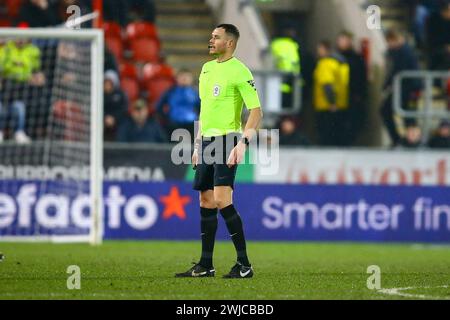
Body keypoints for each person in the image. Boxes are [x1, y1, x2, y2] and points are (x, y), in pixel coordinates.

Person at [175, 24, 263, 279]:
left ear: (230, 43)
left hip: (227, 140)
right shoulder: (206, 68)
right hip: (206, 142)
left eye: (216, 37)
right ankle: (205, 265)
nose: (210, 40)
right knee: (205, 201)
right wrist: (196, 144)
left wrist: (242, 144)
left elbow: (256, 112)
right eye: (211, 36)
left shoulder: (240, 71)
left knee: (223, 200)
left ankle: (244, 264)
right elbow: (206, 110)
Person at [381, 29, 421, 147]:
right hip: (404, 89)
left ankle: (410, 142)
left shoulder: (405, 52)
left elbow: (398, 70)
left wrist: (386, 85)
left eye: (390, 42)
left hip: (410, 90)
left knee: (409, 117)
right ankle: (403, 140)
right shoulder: (400, 51)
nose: (389, 45)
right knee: (390, 112)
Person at [0, 40, 44, 144]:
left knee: (19, 106)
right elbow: (2, 66)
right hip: (5, 85)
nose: (20, 40)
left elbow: (37, 72)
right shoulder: (6, 49)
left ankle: (19, 132)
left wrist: (34, 77)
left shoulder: (33, 51)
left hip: (22, 87)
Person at [313, 40, 350, 146]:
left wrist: (331, 102)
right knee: (337, 134)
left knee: (326, 135)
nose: (318, 52)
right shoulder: (341, 63)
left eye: (319, 49)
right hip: (341, 103)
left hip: (326, 105)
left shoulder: (326, 64)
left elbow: (327, 85)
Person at [336, 31, 368, 144]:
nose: (340, 43)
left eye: (343, 40)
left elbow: (361, 78)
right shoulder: (335, 58)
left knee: (351, 125)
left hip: (352, 97)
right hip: (339, 98)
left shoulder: (356, 59)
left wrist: (359, 95)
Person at [156, 69, 200, 139]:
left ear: (191, 79)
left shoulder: (196, 93)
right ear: (177, 78)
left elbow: (201, 108)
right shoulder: (170, 91)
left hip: (192, 125)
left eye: (187, 76)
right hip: (174, 125)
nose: (184, 79)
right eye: (182, 76)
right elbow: (159, 107)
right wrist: (166, 118)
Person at [271, 27, 301, 109]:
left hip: (274, 84)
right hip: (289, 82)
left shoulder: (274, 44)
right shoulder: (292, 46)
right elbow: (293, 65)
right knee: (287, 111)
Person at [103, 71, 128, 141]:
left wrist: (114, 118)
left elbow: (123, 109)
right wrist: (105, 118)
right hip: (103, 121)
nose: (107, 85)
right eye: (105, 83)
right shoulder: (100, 95)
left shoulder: (120, 94)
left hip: (118, 121)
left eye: (109, 83)